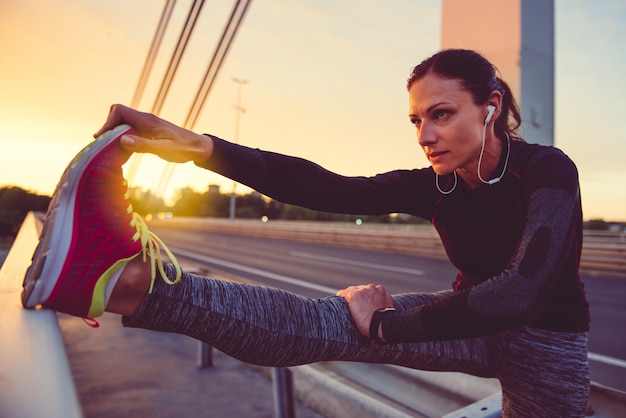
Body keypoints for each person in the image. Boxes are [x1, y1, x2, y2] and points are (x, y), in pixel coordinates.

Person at [22, 49, 590, 417]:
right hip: (468, 321)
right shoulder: (434, 184)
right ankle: (126, 284)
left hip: (546, 345)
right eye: (417, 120)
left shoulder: (546, 169)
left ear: (491, 107)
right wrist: (200, 148)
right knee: (322, 324)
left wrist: (388, 325)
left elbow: (522, 293)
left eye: (441, 114)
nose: (425, 134)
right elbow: (328, 188)